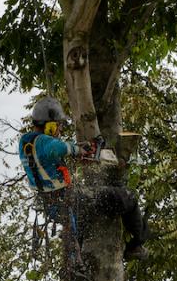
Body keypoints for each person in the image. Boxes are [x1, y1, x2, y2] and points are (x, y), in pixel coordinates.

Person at [19, 96, 148, 260]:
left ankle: (75, 260)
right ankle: (136, 245)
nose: (59, 130)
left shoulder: (25, 142)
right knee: (128, 197)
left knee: (83, 222)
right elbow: (57, 147)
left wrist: (78, 147)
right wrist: (81, 150)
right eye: (57, 125)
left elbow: (49, 153)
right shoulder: (47, 143)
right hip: (72, 200)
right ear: (50, 126)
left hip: (53, 207)